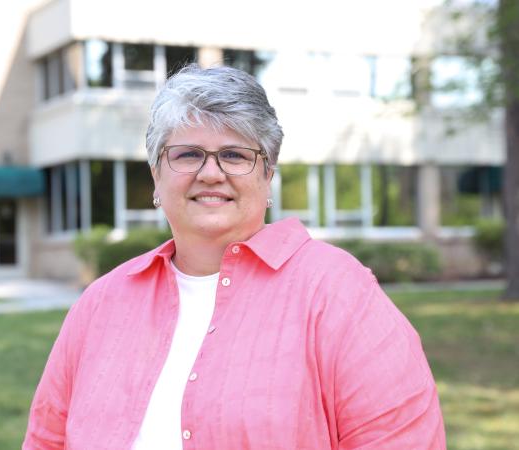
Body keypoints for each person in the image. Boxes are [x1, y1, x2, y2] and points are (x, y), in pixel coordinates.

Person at [22, 64, 446, 449]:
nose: (211, 173)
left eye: (235, 155)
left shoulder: (338, 294)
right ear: (156, 174)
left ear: (268, 175)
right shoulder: (101, 303)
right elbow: (46, 440)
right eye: (187, 154)